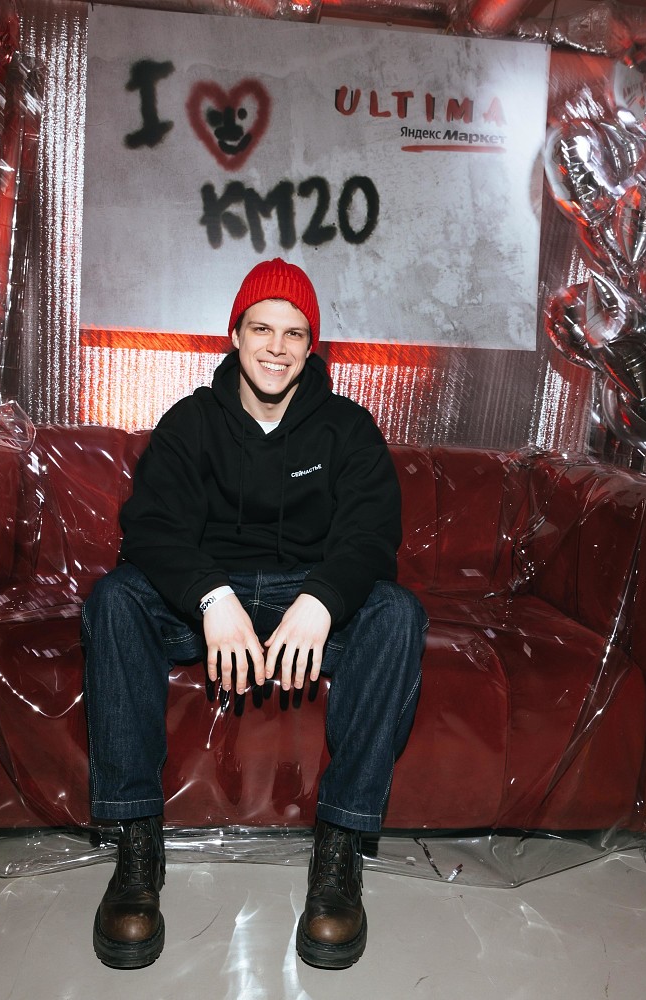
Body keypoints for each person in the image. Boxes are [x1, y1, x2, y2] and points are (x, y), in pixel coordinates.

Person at [81, 257, 428, 971]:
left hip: (308, 596)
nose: (276, 347)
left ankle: (339, 854)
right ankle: (137, 851)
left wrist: (321, 600)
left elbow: (370, 535)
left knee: (397, 613)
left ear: (311, 345)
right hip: (213, 596)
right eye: (261, 329)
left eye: (293, 333)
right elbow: (150, 529)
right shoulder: (190, 422)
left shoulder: (347, 428)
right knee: (115, 600)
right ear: (235, 335)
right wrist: (211, 597)